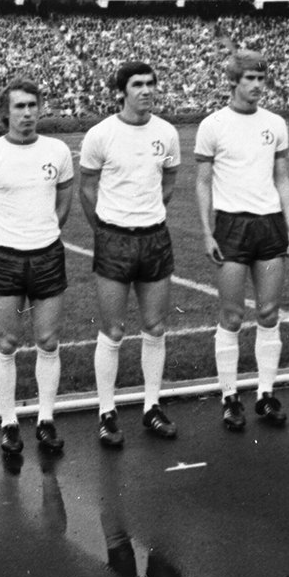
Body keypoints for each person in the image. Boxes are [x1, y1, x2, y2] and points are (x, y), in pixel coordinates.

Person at [0, 80, 75, 462]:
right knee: (7, 342)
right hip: (5, 260)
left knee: (47, 340)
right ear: (5, 112)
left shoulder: (58, 151)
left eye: (33, 105)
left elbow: (63, 204)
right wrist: (0, 245)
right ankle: (9, 422)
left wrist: (43, 234)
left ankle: (46, 418)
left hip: (47, 256)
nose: (27, 113)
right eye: (19, 107)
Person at [78, 61, 183, 448]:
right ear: (121, 91)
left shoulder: (167, 133)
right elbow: (87, 190)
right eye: (137, 84)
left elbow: (168, 181)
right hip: (114, 240)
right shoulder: (101, 134)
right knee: (113, 330)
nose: (146, 90)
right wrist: (105, 231)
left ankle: (152, 406)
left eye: (150, 83)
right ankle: (107, 413)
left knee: (155, 327)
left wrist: (147, 214)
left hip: (155, 237)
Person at [195, 50, 289, 431]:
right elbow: (203, 183)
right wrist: (207, 231)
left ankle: (266, 394)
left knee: (269, 313)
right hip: (231, 227)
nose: (257, 86)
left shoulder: (275, 123)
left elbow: (282, 177)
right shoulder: (213, 125)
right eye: (250, 79)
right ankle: (229, 397)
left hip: (270, 225)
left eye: (261, 79)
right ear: (234, 81)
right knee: (232, 315)